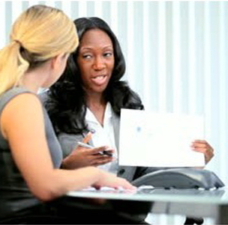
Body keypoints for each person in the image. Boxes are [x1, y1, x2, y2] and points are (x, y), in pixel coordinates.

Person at [0, 5, 137, 224]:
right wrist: (97, 175)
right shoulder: (24, 103)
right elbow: (45, 185)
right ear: (59, 58)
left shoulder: (14, 98)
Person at [43, 17, 215, 181]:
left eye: (107, 54)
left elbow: (144, 171)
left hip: (123, 210)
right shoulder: (45, 105)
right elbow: (30, 179)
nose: (99, 65)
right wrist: (66, 166)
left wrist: (190, 162)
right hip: (71, 210)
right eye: (87, 56)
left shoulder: (127, 102)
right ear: (72, 60)